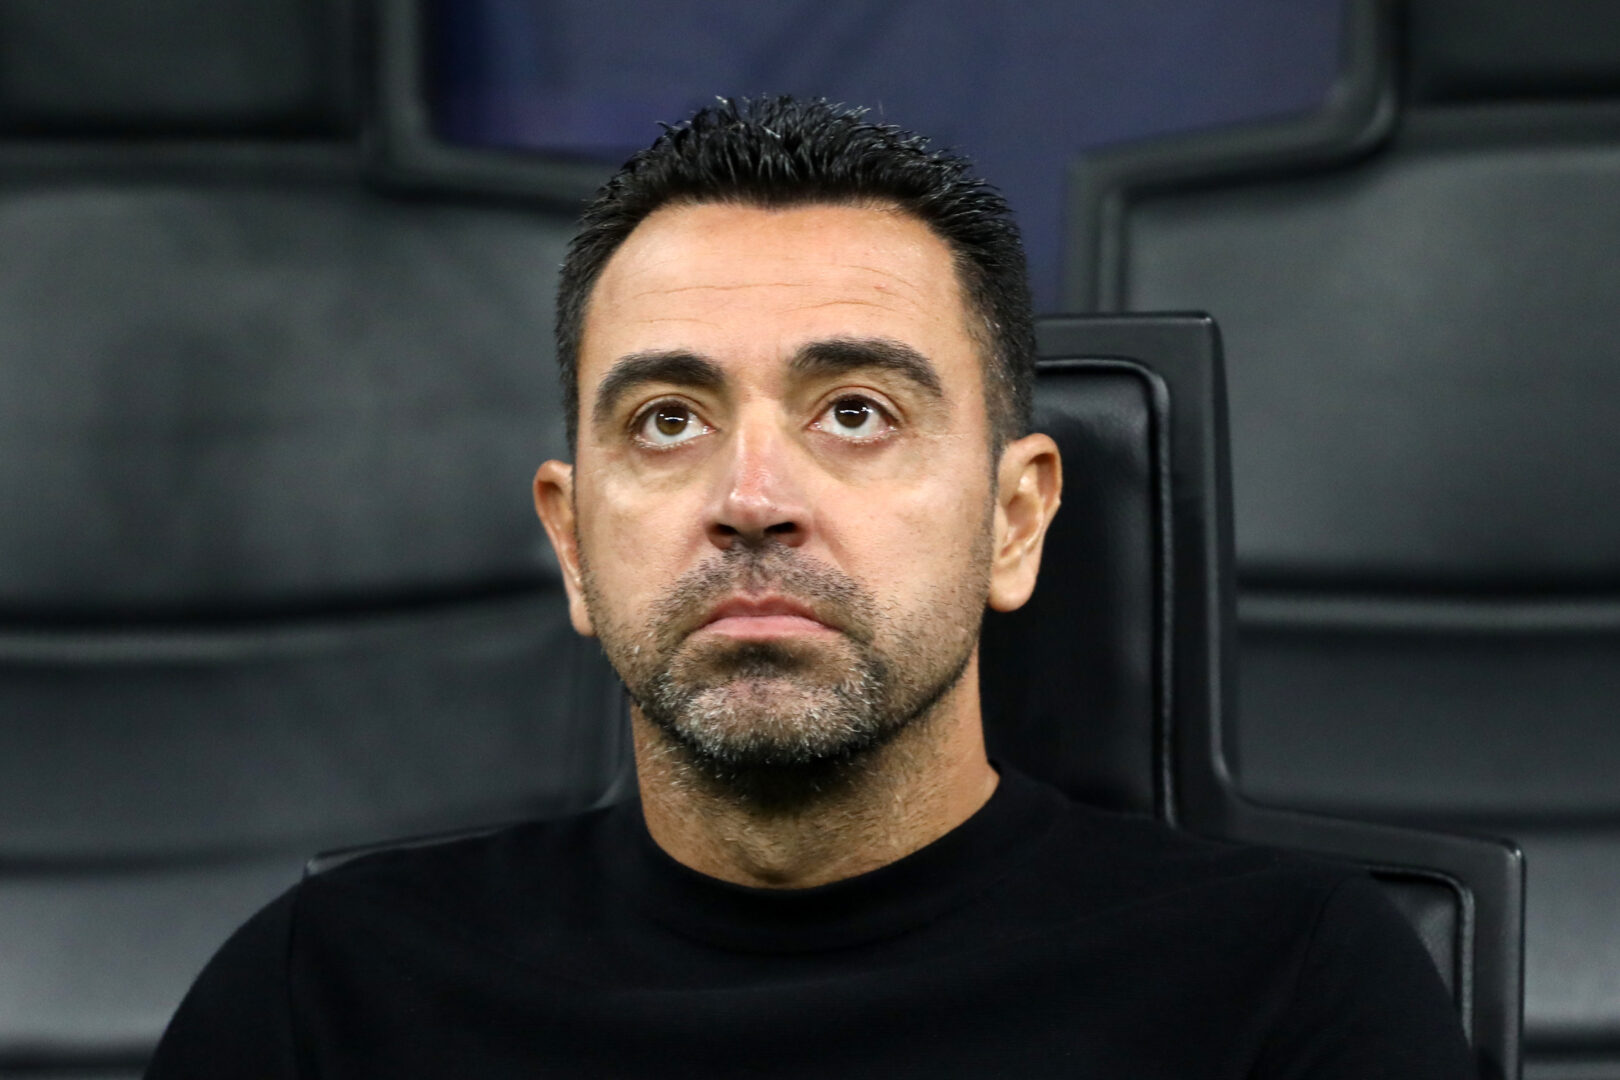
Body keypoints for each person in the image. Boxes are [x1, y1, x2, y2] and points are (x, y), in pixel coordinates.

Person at [145, 96, 1474, 1079]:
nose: (753, 496)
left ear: (1015, 521)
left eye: (855, 412)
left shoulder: (1291, 989)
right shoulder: (327, 996)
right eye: (668, 420)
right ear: (572, 544)